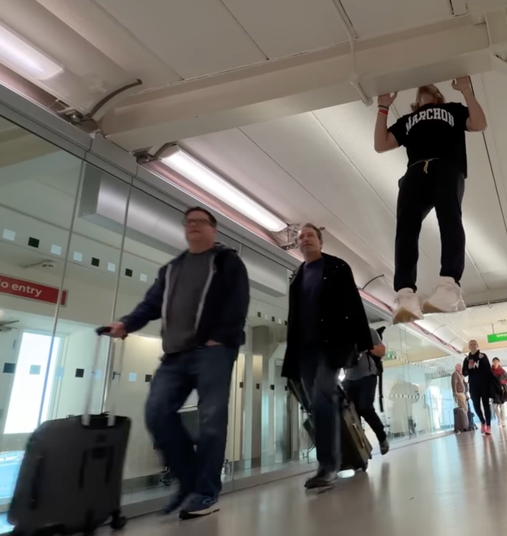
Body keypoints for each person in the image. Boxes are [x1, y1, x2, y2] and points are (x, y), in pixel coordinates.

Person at [105, 207, 249, 519]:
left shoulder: (226, 262)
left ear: (214, 229)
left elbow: (238, 301)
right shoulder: (172, 268)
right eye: (189, 222)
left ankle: (207, 491)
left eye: (201, 222)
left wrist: (220, 337)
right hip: (175, 355)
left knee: (211, 419)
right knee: (156, 413)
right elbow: (151, 304)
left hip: (213, 351)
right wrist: (126, 324)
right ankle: (189, 482)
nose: (193, 226)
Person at [374, 77, 488, 324]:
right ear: (415, 101)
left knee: (449, 219)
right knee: (405, 228)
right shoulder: (407, 121)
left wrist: (467, 91)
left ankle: (448, 285)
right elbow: (381, 144)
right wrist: (383, 107)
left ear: (439, 96)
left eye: (435, 88)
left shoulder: (452, 110)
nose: (428, 87)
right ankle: (405, 293)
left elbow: (479, 123)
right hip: (415, 172)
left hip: (447, 167)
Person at [281, 224, 373, 490]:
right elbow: (295, 318)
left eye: (310, 235)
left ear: (320, 241)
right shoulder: (297, 276)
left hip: (331, 346)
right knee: (318, 405)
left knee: (322, 397)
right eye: (300, 238)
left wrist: (362, 342)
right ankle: (352, 455)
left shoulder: (337, 267)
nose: (305, 239)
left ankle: (328, 467)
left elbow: (353, 303)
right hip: (305, 350)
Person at [342, 326, 390, 456]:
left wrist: (366, 346)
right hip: (349, 378)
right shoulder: (343, 333)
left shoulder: (369, 332)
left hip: (367, 375)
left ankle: (382, 438)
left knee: (364, 407)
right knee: (350, 414)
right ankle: (360, 450)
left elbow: (382, 351)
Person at [462, 340, 493, 435]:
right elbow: (464, 373)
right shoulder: (467, 359)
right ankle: (482, 421)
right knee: (476, 405)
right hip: (473, 385)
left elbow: (488, 369)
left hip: (484, 385)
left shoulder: (483, 356)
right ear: (469, 347)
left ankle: (488, 425)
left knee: (486, 405)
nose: (472, 345)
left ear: (477, 345)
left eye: (474, 344)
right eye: (470, 344)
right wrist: (469, 368)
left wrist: (478, 366)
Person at [491, 358, 507, 428]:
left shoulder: (502, 371)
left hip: (501, 390)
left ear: (499, 362)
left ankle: (503, 420)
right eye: (494, 362)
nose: (495, 363)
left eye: (497, 362)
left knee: (502, 406)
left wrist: (502, 382)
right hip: (493, 390)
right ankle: (499, 419)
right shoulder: (490, 370)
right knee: (495, 406)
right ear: (492, 362)